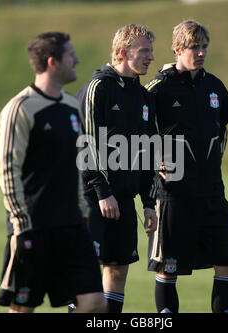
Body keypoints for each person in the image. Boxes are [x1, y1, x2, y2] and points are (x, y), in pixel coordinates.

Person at [0, 32, 107, 313]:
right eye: (71, 55)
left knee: (95, 303)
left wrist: (83, 214)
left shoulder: (71, 106)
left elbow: (75, 166)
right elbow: (9, 170)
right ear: (52, 62)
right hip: (34, 226)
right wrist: (21, 224)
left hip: (72, 225)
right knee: (23, 308)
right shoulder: (20, 108)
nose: (77, 60)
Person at [146, 20, 228, 313]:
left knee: (227, 262)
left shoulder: (216, 87)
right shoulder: (158, 88)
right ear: (177, 49)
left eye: (204, 47)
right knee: (168, 268)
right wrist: (153, 159)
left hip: (212, 193)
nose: (200, 53)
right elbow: (137, 134)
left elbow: (222, 131)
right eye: (193, 47)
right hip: (173, 195)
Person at [75, 24, 158, 313]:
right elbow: (86, 144)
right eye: (144, 50)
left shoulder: (144, 97)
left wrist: (149, 203)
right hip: (91, 198)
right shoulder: (98, 88)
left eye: (151, 51)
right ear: (123, 52)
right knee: (87, 275)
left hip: (123, 200)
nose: (150, 57)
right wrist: (102, 191)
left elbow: (149, 152)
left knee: (118, 271)